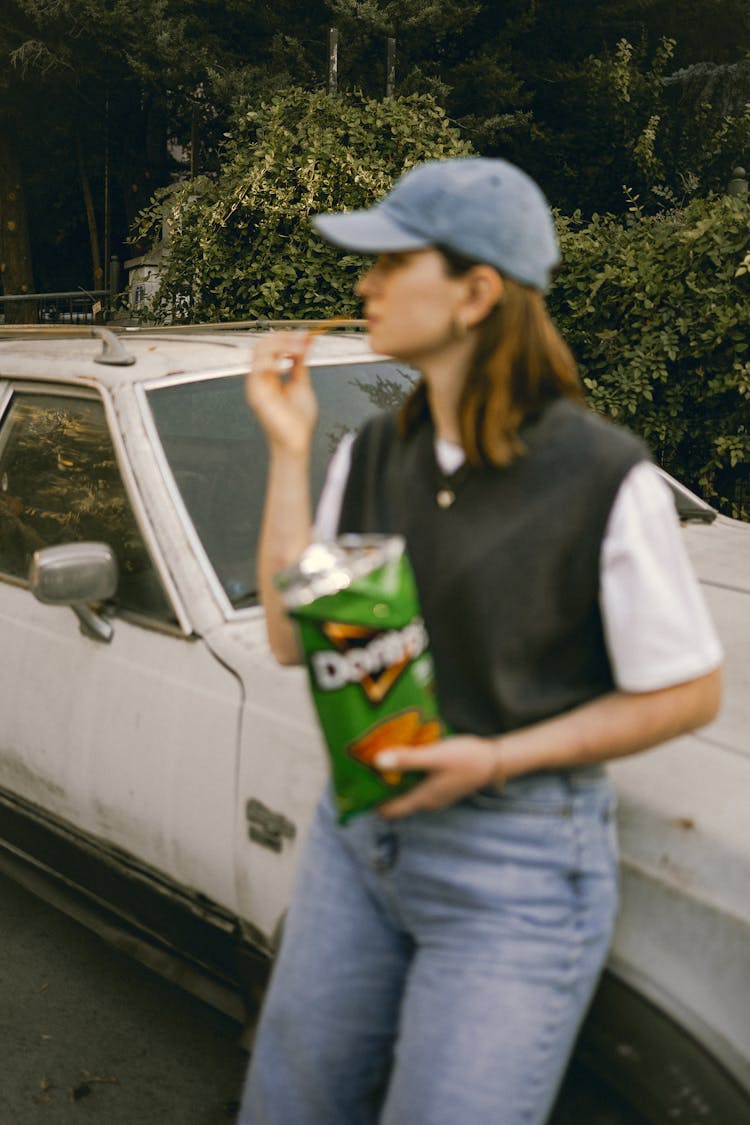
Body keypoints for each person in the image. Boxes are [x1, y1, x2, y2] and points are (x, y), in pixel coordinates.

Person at [239, 157, 723, 1125]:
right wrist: (288, 450)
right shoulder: (375, 449)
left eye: (388, 260)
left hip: (515, 870)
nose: (363, 282)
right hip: (359, 837)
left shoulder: (603, 474)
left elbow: (689, 692)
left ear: (477, 293)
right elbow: (295, 639)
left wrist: (498, 755)